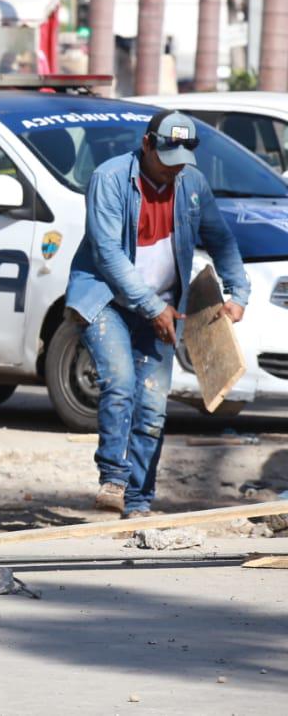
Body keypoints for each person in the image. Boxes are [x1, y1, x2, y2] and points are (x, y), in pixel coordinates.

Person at [66, 110, 248, 519]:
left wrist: (238, 293)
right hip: (106, 300)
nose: (173, 170)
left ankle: (138, 503)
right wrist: (152, 307)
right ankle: (113, 477)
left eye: (182, 160)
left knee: (152, 407)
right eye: (166, 158)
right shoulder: (110, 179)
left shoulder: (192, 184)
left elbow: (221, 239)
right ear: (147, 144)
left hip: (163, 306)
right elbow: (108, 255)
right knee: (121, 383)